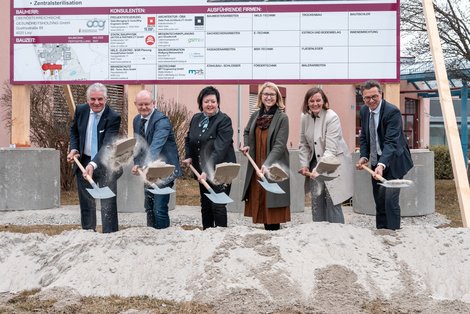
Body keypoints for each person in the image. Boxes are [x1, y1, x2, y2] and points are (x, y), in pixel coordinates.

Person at [356, 80, 413, 230]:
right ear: (363, 98)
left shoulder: (392, 112)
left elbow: (391, 142)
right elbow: (364, 137)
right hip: (376, 161)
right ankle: (381, 233)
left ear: (381, 94)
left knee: (390, 201)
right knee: (380, 200)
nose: (371, 100)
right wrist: (364, 157)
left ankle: (393, 232)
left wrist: (382, 165)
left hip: (394, 161)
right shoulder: (363, 111)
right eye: (367, 98)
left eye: (374, 96)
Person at [67, 83, 122, 233]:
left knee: (107, 204)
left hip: (105, 163)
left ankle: (110, 236)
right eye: (92, 99)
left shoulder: (113, 117)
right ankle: (88, 234)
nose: (96, 103)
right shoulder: (81, 110)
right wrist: (74, 148)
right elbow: (74, 131)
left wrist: (92, 165)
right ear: (87, 99)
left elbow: (107, 146)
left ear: (106, 98)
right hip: (83, 161)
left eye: (100, 99)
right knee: (86, 202)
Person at [182, 86, 236, 230]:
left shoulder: (224, 120)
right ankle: (207, 235)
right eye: (206, 102)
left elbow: (220, 148)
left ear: (218, 102)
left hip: (221, 170)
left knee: (217, 204)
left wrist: (208, 169)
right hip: (202, 170)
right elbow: (189, 139)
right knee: (206, 204)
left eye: (213, 101)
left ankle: (220, 235)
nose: (210, 105)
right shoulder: (196, 118)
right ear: (201, 103)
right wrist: (188, 156)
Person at [298, 87, 354, 223]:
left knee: (332, 200)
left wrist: (318, 169)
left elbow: (331, 149)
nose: (315, 104)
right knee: (316, 201)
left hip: (332, 163)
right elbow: (303, 144)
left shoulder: (332, 117)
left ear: (324, 101)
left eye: (318, 100)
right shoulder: (304, 117)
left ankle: (337, 233)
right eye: (311, 101)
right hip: (314, 162)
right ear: (307, 103)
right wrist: (304, 165)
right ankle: (318, 234)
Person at [240, 82, 290, 231]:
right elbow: (247, 131)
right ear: (261, 96)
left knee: (272, 197)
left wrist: (267, 164)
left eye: (272, 94)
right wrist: (247, 144)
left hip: (274, 163)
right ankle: (265, 232)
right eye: (265, 94)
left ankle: (274, 228)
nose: (268, 97)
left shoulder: (282, 117)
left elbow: (280, 145)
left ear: (277, 97)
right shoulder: (256, 115)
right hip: (257, 161)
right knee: (259, 195)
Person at [131, 90, 182, 229]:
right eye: (140, 104)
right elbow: (139, 144)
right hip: (149, 170)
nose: (144, 107)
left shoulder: (162, 121)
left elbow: (155, 146)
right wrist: (137, 163)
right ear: (135, 104)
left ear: (153, 103)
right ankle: (151, 237)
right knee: (149, 207)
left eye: (147, 104)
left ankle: (163, 240)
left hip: (165, 169)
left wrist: (145, 164)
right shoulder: (136, 120)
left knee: (159, 209)